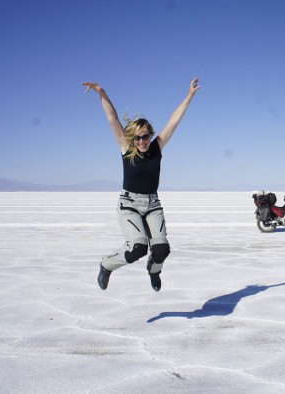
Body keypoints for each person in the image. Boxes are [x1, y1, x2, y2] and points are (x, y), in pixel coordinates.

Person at [82, 78, 200, 292]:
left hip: (152, 204)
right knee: (137, 248)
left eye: (145, 137)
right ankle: (107, 265)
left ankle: (154, 270)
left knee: (162, 248)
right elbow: (113, 118)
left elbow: (174, 121)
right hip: (129, 204)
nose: (141, 141)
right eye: (137, 138)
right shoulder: (126, 149)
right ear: (131, 138)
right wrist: (102, 93)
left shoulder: (157, 149)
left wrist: (189, 96)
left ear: (150, 135)